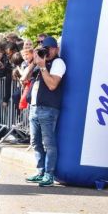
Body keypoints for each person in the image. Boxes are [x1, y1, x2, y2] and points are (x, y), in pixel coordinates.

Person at [25, 36, 66, 187]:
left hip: (48, 108)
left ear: (56, 49)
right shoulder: (41, 62)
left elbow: (52, 85)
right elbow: (23, 78)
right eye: (44, 49)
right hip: (35, 107)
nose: (46, 52)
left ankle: (49, 174)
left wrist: (42, 66)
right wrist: (33, 63)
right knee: (35, 142)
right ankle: (40, 171)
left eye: (48, 49)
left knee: (48, 143)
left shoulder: (58, 63)